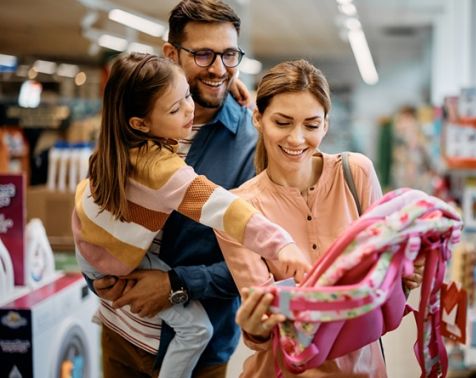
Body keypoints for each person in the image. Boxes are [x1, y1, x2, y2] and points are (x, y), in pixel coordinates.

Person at [73, 52, 311, 378]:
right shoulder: (163, 170)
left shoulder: (114, 144)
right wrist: (280, 244)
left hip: (90, 246)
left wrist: (233, 92)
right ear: (140, 123)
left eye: (187, 93)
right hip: (117, 278)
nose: (190, 108)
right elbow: (227, 210)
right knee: (197, 330)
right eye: (176, 107)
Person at [88, 1, 269, 377]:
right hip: (120, 331)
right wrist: (96, 269)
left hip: (195, 353)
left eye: (229, 54)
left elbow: (261, 262)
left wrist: (176, 284)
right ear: (171, 53)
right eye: (203, 54)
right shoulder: (133, 118)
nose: (219, 69)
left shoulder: (251, 145)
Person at [218, 59, 425, 377]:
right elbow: (264, 333)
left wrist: (402, 275)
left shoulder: (355, 174)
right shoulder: (239, 210)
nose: (297, 139)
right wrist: (257, 327)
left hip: (364, 370)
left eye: (311, 125)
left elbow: (383, 290)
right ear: (258, 118)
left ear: (326, 125)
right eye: (283, 122)